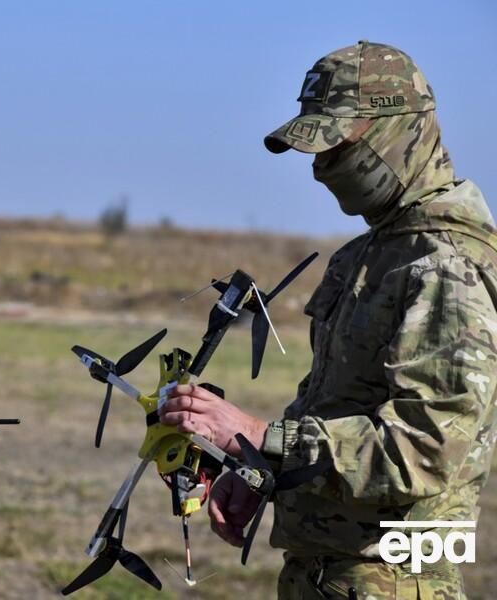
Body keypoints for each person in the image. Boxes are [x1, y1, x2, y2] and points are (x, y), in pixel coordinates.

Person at [159, 40, 497, 598]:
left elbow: (426, 449)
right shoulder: (367, 256)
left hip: (392, 579)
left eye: (336, 145)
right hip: (328, 575)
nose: (320, 170)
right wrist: (263, 469)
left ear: (399, 129)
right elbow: (336, 404)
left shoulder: (446, 269)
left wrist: (262, 436)